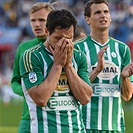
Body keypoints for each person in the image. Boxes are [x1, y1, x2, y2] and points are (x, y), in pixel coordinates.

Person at [20, 9, 92, 133]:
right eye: (58, 38)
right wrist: (58, 64)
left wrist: (68, 65)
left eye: (68, 38)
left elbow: (85, 98)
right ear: (47, 32)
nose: (63, 43)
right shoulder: (31, 56)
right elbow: (41, 99)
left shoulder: (79, 56)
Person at [74, 0, 133, 133]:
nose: (103, 15)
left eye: (106, 12)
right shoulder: (78, 49)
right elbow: (75, 90)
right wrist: (97, 70)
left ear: (110, 17)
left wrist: (124, 78)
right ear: (87, 19)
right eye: (97, 12)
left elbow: (128, 95)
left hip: (115, 127)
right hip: (85, 125)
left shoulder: (122, 49)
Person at [11, 2, 54, 133]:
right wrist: (29, 92)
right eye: (33, 20)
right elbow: (15, 81)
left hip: (54, 118)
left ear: (51, 21)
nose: (36, 24)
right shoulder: (23, 48)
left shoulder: (61, 47)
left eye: (41, 20)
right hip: (28, 118)